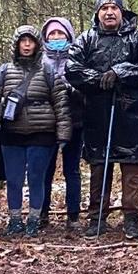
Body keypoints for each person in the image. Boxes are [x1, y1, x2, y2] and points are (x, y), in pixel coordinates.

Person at [65, 0, 138, 239]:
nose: (109, 12)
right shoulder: (86, 39)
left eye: (114, 8)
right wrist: (97, 79)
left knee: (131, 168)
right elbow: (72, 68)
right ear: (98, 13)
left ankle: (131, 218)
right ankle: (97, 217)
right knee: (99, 168)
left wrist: (120, 72)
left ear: (121, 11)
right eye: (104, 8)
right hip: (97, 113)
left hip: (131, 114)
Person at [0, 25, 71, 235]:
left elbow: (60, 103)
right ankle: (14, 219)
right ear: (16, 44)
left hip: (42, 133)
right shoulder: (3, 71)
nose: (27, 45)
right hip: (11, 133)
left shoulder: (48, 72)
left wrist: (63, 133)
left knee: (36, 178)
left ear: (37, 44)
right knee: (13, 178)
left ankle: (33, 219)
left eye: (31, 41)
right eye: (23, 41)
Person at [39, 17, 84, 230]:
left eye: (61, 34)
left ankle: (73, 215)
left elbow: (86, 88)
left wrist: (72, 91)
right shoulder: (39, 63)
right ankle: (41, 212)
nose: (57, 38)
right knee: (44, 170)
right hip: (47, 124)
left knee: (72, 170)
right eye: (52, 35)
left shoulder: (78, 59)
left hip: (75, 122)